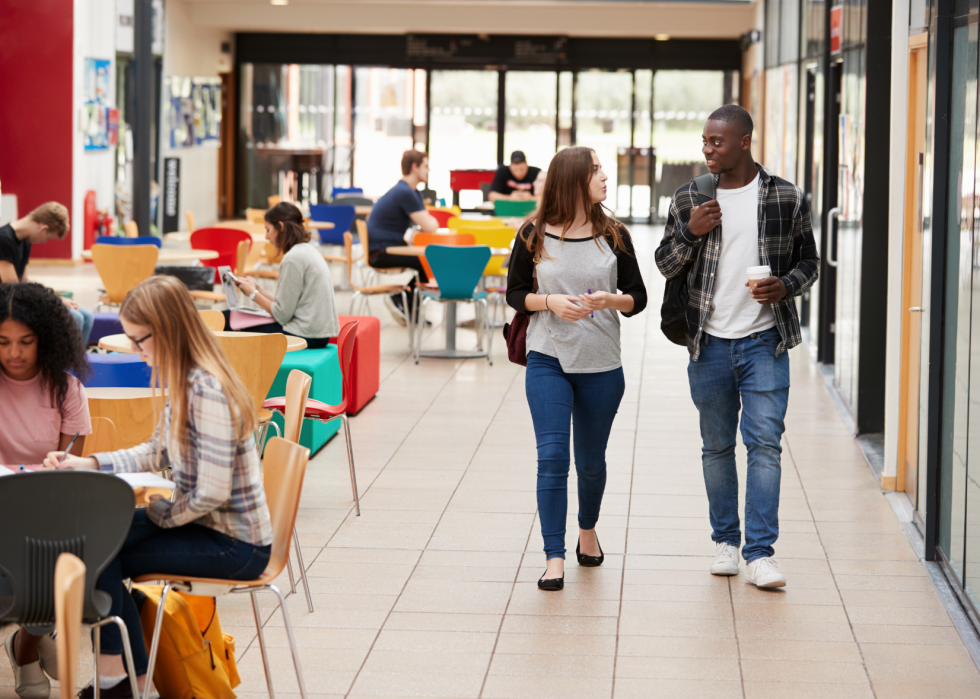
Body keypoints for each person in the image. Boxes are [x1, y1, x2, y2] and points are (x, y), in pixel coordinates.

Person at [45, 275, 273, 698]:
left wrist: (162, 514)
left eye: (139, 340)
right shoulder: (187, 381)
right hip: (208, 526)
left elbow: (212, 493)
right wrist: (90, 461)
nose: (135, 350)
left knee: (96, 548)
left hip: (234, 544)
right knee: (93, 538)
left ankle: (122, 681)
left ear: (167, 331)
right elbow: (156, 452)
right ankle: (126, 676)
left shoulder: (205, 390)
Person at [655, 105, 819, 589]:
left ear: (744, 141)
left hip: (765, 340)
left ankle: (761, 553)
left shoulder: (785, 197)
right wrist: (692, 231)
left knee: (765, 445)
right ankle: (726, 541)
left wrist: (786, 286)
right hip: (708, 342)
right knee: (717, 446)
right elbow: (665, 264)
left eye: (717, 142)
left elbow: (810, 261)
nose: (707, 149)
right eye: (704, 141)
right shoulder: (689, 197)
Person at [506, 146, 647, 591]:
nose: (605, 177)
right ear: (573, 181)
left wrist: (610, 299)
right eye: (596, 171)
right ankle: (553, 557)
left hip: (602, 364)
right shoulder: (533, 233)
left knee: (590, 463)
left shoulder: (614, 233)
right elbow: (514, 294)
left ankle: (587, 529)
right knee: (551, 458)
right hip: (547, 357)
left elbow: (638, 297)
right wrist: (549, 302)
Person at [0, 283, 91, 699]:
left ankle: (26, 644)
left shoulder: (67, 390)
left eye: (25, 342)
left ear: (47, 339)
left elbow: (69, 467)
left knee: (59, 560)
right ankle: (30, 642)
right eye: (2, 342)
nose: (13, 353)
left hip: (46, 507)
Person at [225, 202, 339, 348]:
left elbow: (281, 315)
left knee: (229, 320)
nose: (266, 237)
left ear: (281, 227)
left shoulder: (293, 258)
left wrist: (252, 294)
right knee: (235, 318)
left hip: (305, 335)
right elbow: (286, 305)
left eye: (268, 230)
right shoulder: (306, 251)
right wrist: (258, 289)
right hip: (316, 334)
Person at [0, 202, 94, 346]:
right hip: (7, 301)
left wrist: (54, 297)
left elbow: (24, 282)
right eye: (48, 237)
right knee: (75, 318)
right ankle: (65, 364)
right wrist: (54, 300)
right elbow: (14, 288)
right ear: (43, 228)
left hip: (17, 296)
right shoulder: (3, 239)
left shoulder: (25, 240)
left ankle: (77, 363)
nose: (44, 242)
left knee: (87, 316)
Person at [366, 150, 439, 323]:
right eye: (426, 166)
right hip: (380, 253)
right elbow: (430, 226)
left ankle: (406, 304)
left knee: (427, 260)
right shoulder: (406, 192)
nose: (429, 170)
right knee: (428, 261)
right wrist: (433, 221)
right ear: (415, 167)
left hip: (385, 248)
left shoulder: (408, 191)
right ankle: (403, 302)